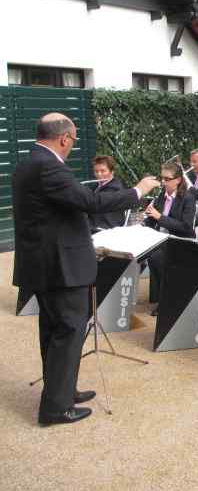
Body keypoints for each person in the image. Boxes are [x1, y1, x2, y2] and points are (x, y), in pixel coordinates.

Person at [12, 112, 159, 426]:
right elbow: (90, 202)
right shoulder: (49, 166)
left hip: (44, 263)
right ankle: (55, 408)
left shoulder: (28, 162)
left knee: (53, 330)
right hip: (60, 266)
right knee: (68, 331)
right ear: (64, 138)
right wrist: (138, 191)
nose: (72, 145)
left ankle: (62, 391)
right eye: (73, 140)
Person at [144, 162, 197, 314]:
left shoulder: (188, 198)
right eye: (162, 178)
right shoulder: (162, 195)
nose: (163, 182)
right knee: (145, 252)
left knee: (156, 257)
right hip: (163, 239)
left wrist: (159, 217)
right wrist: (144, 221)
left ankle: (167, 300)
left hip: (180, 241)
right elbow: (153, 218)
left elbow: (186, 227)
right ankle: (159, 296)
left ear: (178, 180)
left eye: (167, 179)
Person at [87, 155, 128, 232]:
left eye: (103, 171)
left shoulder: (115, 188)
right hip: (95, 225)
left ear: (112, 171)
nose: (99, 174)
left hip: (107, 227)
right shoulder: (96, 186)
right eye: (96, 171)